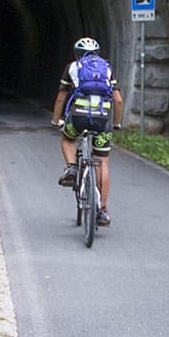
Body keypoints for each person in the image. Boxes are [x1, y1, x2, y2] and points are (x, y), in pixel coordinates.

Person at [50, 36, 124, 226]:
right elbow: (118, 100)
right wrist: (116, 123)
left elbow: (61, 97)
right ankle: (103, 210)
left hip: (78, 118)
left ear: (76, 54)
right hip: (102, 120)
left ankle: (73, 167)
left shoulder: (73, 68)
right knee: (102, 162)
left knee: (67, 139)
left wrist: (55, 120)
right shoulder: (106, 68)